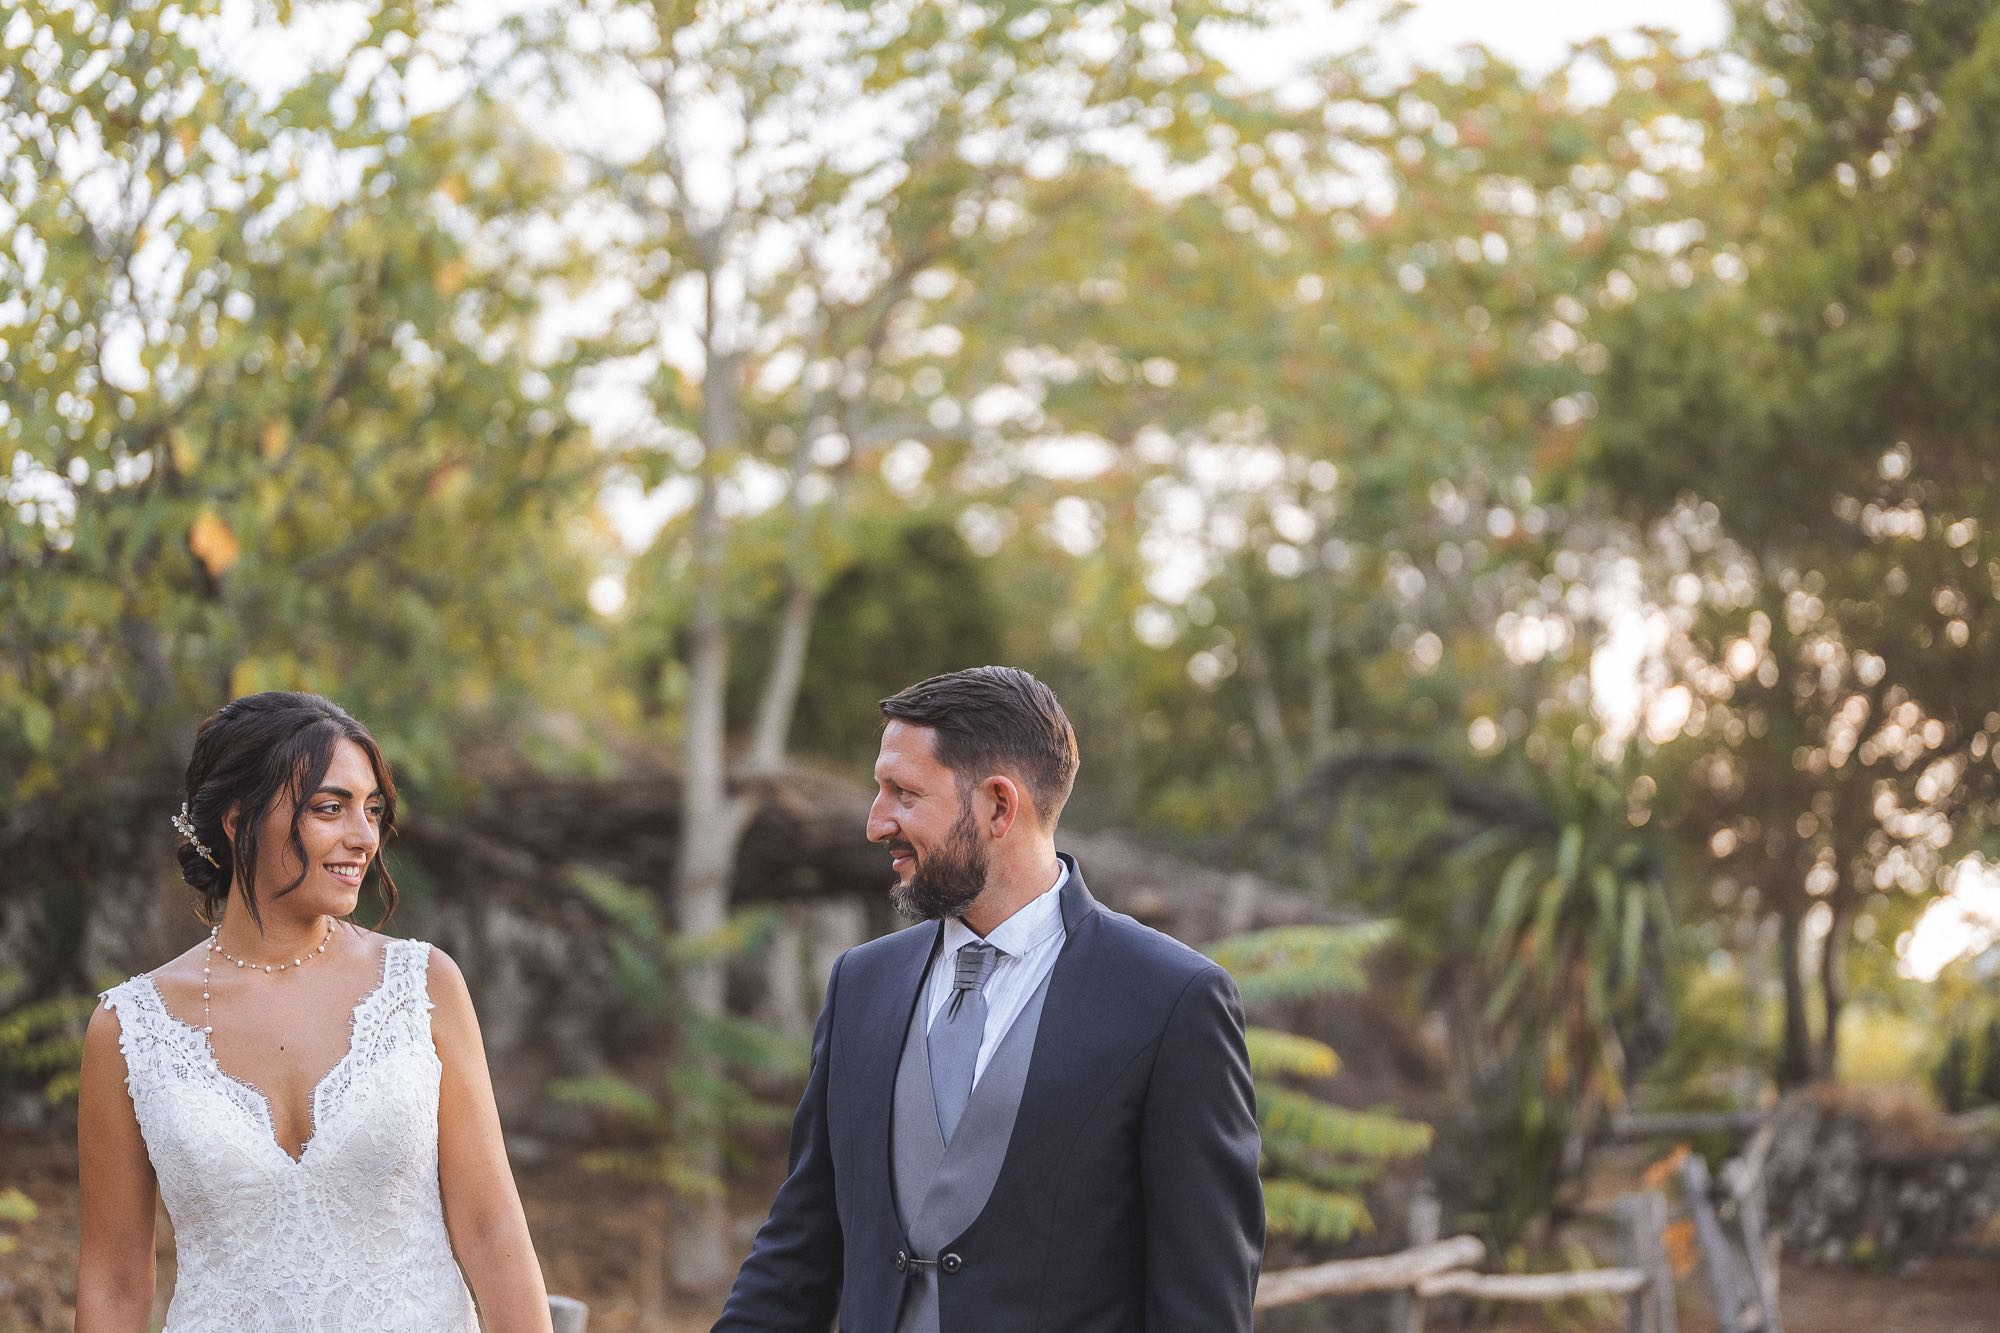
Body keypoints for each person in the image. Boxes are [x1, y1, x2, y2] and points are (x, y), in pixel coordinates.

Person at [715, 666, 1264, 1332]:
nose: (875, 823)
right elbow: (797, 1251)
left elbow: (1202, 1308)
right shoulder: (862, 984)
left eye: (903, 793)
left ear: (999, 806)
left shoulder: (1171, 1000)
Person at [76, 691, 552, 1333]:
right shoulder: (130, 1029)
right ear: (239, 820)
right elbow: (113, 1282)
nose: (364, 838)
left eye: (372, 810)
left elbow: (492, 1227)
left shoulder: (422, 986)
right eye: (331, 808)